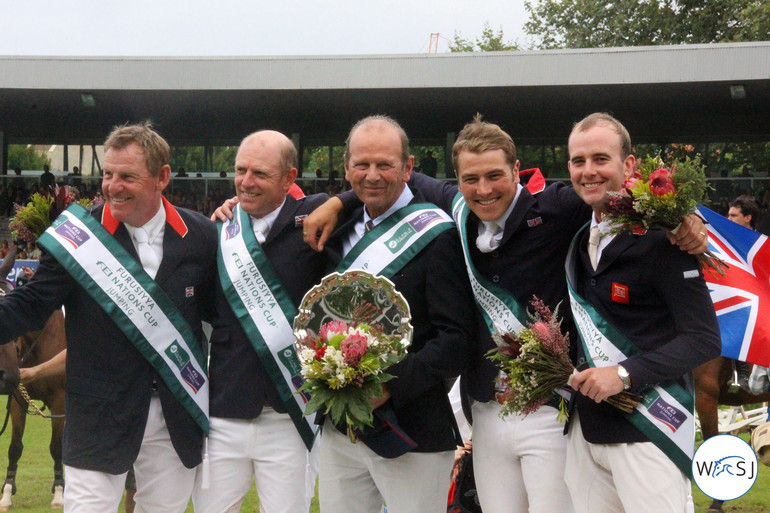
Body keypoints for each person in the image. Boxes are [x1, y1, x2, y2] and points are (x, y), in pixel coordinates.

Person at [303, 114, 709, 513]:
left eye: (495, 175)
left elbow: (610, 191)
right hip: (486, 410)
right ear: (457, 182)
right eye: (471, 179)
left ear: (517, 170)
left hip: (550, 412)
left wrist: (686, 220)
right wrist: (340, 200)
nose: (483, 189)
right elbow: (384, 177)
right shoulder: (458, 207)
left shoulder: (558, 207)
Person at [0, 122, 218, 513]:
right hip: (98, 414)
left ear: (162, 177)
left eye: (128, 176)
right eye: (108, 174)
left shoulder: (201, 235)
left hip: (175, 414)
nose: (112, 186)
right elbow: (30, 302)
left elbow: (220, 316)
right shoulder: (78, 237)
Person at [315, 115, 476, 513]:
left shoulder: (439, 235)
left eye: (385, 165)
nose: (372, 175)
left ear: (408, 167)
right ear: (347, 169)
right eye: (361, 165)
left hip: (413, 429)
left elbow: (455, 340)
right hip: (341, 429)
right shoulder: (335, 228)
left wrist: (388, 388)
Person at [564, 112, 721, 513]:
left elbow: (704, 338)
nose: (589, 171)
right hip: (585, 434)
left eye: (601, 158)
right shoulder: (579, 234)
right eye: (578, 161)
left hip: (650, 430)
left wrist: (623, 374)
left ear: (629, 165)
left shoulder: (665, 238)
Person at [194, 130, 329, 513]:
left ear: (289, 178)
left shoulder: (315, 220)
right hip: (223, 413)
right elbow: (207, 309)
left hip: (290, 414)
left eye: (260, 173)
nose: (246, 181)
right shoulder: (219, 232)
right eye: (240, 171)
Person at [726, 194, 761, 392]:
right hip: (731, 291)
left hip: (752, 296)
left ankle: (743, 373)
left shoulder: (758, 244)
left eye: (733, 216)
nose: (728, 220)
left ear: (747, 218)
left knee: (738, 316)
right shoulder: (725, 241)